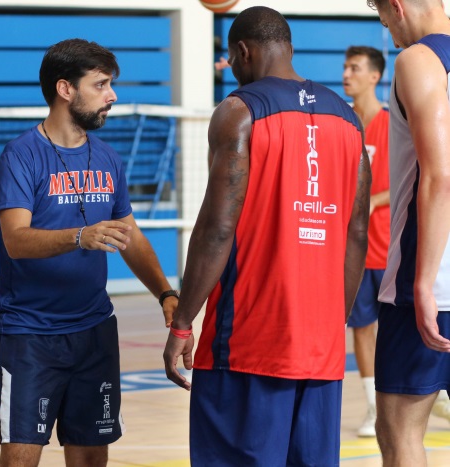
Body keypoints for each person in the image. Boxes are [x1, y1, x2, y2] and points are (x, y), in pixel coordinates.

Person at [163, 7, 371, 465]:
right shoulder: (349, 122)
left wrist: (183, 322)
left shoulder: (239, 111)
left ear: (242, 51)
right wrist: (332, 323)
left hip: (248, 343)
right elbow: (357, 233)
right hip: (321, 348)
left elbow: (218, 228)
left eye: (232, 60)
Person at [0, 38, 178, 467]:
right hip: (30, 335)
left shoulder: (109, 158)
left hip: (95, 332)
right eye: (101, 85)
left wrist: (165, 293)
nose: (112, 96)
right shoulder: (20, 156)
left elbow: (128, 233)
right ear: (65, 90)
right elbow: (15, 239)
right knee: (20, 457)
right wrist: (80, 236)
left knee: (93, 459)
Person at [366, 1, 450, 464]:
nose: (385, 27)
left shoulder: (419, 59)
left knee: (399, 429)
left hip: (433, 283)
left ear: (396, 6)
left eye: (381, 13)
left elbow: (439, 176)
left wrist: (421, 283)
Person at [342, 45, 391, 438]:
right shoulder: (343, 122)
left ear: (374, 76)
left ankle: (431, 392)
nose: (346, 74)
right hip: (354, 246)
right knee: (362, 328)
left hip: (390, 244)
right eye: (345, 67)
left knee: (398, 327)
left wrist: (374, 199)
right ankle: (374, 407)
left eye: (354, 68)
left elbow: (422, 172)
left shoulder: (392, 124)